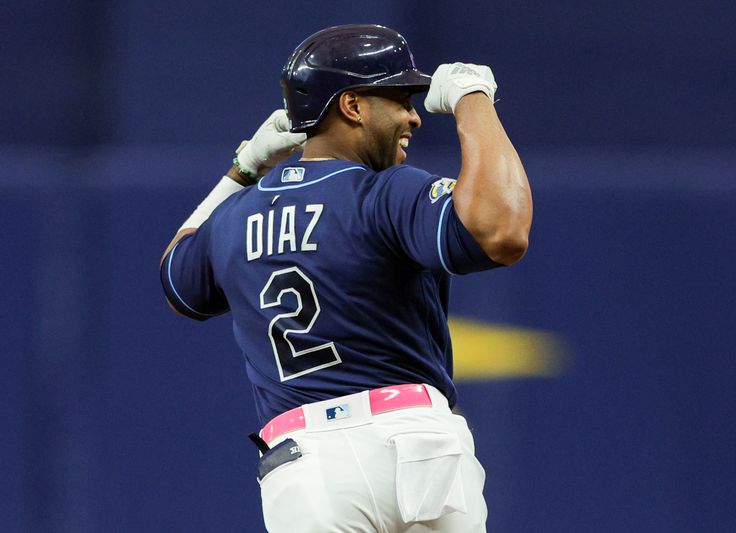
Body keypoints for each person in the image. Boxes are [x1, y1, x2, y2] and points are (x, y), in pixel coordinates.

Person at [160, 24, 532, 533]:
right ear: (353, 106)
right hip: (417, 443)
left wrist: (244, 167)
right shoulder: (386, 193)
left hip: (306, 465)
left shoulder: (237, 217)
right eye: (400, 97)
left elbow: (177, 278)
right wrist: (473, 100)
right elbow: (503, 230)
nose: (414, 116)